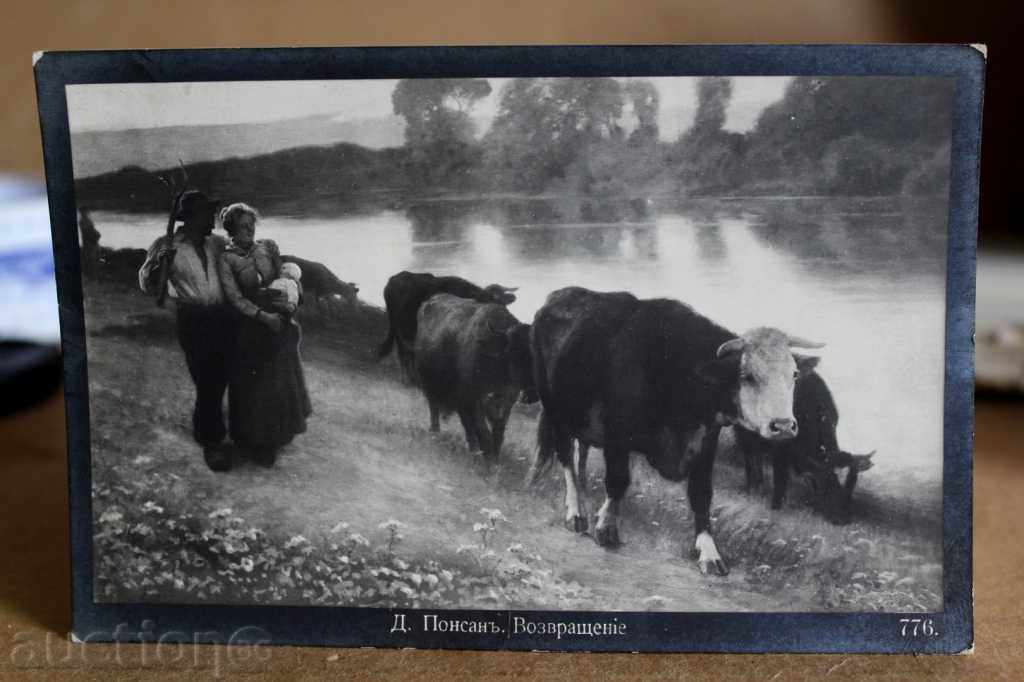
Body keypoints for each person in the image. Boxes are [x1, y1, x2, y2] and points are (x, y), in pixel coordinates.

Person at [137, 190, 236, 472]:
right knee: (206, 379)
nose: (213, 220)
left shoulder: (217, 244)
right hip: (193, 319)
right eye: (208, 214)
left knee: (220, 376)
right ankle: (212, 440)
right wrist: (159, 264)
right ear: (193, 217)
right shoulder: (166, 244)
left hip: (223, 317)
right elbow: (148, 285)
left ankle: (209, 427)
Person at [218, 203, 312, 466]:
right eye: (243, 226)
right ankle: (253, 441)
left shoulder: (267, 248)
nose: (249, 230)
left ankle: (277, 435)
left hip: (278, 323)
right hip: (249, 326)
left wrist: (292, 299)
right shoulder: (227, 259)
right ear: (231, 229)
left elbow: (290, 279)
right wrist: (262, 314)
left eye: (251, 225)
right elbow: (234, 297)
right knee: (253, 384)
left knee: (279, 381)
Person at [78, 206, 101, 278]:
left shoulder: (85, 220)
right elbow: (88, 231)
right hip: (90, 241)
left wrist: (97, 234)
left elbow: (91, 230)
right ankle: (92, 275)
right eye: (86, 211)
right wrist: (96, 235)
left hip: (91, 241)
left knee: (93, 257)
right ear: (82, 212)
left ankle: (92, 274)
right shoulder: (84, 221)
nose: (88, 213)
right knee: (91, 258)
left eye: (87, 211)